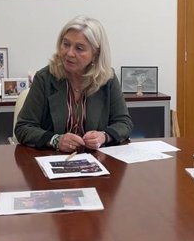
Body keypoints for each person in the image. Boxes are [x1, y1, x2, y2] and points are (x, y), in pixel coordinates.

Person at [14, 15, 133, 152]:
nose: (69, 53)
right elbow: (23, 127)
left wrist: (104, 136)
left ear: (95, 53)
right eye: (66, 44)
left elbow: (124, 123)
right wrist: (55, 140)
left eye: (79, 48)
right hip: (53, 160)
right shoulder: (45, 79)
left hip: (96, 162)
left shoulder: (107, 79)